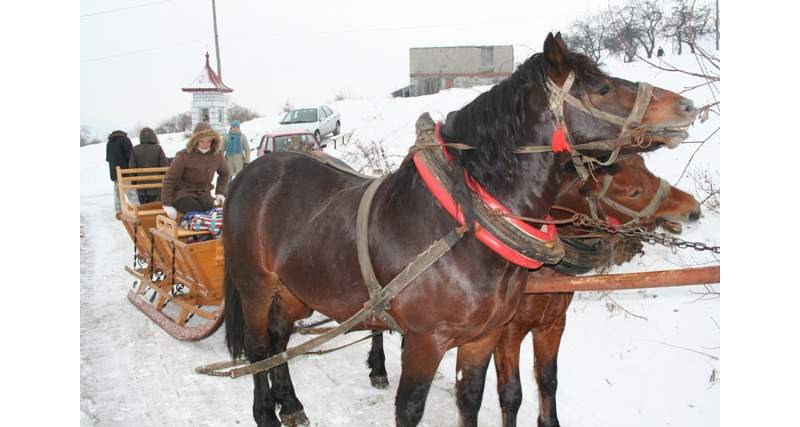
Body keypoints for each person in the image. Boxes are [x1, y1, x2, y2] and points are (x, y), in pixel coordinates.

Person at [161, 122, 230, 221]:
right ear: (195, 141)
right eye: (202, 141)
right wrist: (167, 204)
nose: (205, 145)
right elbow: (170, 180)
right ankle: (189, 230)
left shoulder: (216, 155)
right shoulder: (183, 156)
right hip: (183, 193)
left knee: (211, 212)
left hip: (204, 194)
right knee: (196, 211)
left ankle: (207, 235)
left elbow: (225, 173)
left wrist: (220, 192)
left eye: (208, 141)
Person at [128, 127, 169, 204]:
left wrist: (134, 183)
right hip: (156, 187)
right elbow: (164, 166)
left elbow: (132, 168)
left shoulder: (135, 149)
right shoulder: (158, 148)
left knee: (144, 207)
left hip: (141, 189)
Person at [106, 129, 134, 212]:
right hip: (125, 172)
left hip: (114, 173)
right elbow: (130, 156)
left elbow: (108, 159)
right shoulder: (125, 140)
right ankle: (138, 209)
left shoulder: (109, 143)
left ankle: (118, 211)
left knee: (118, 193)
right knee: (131, 193)